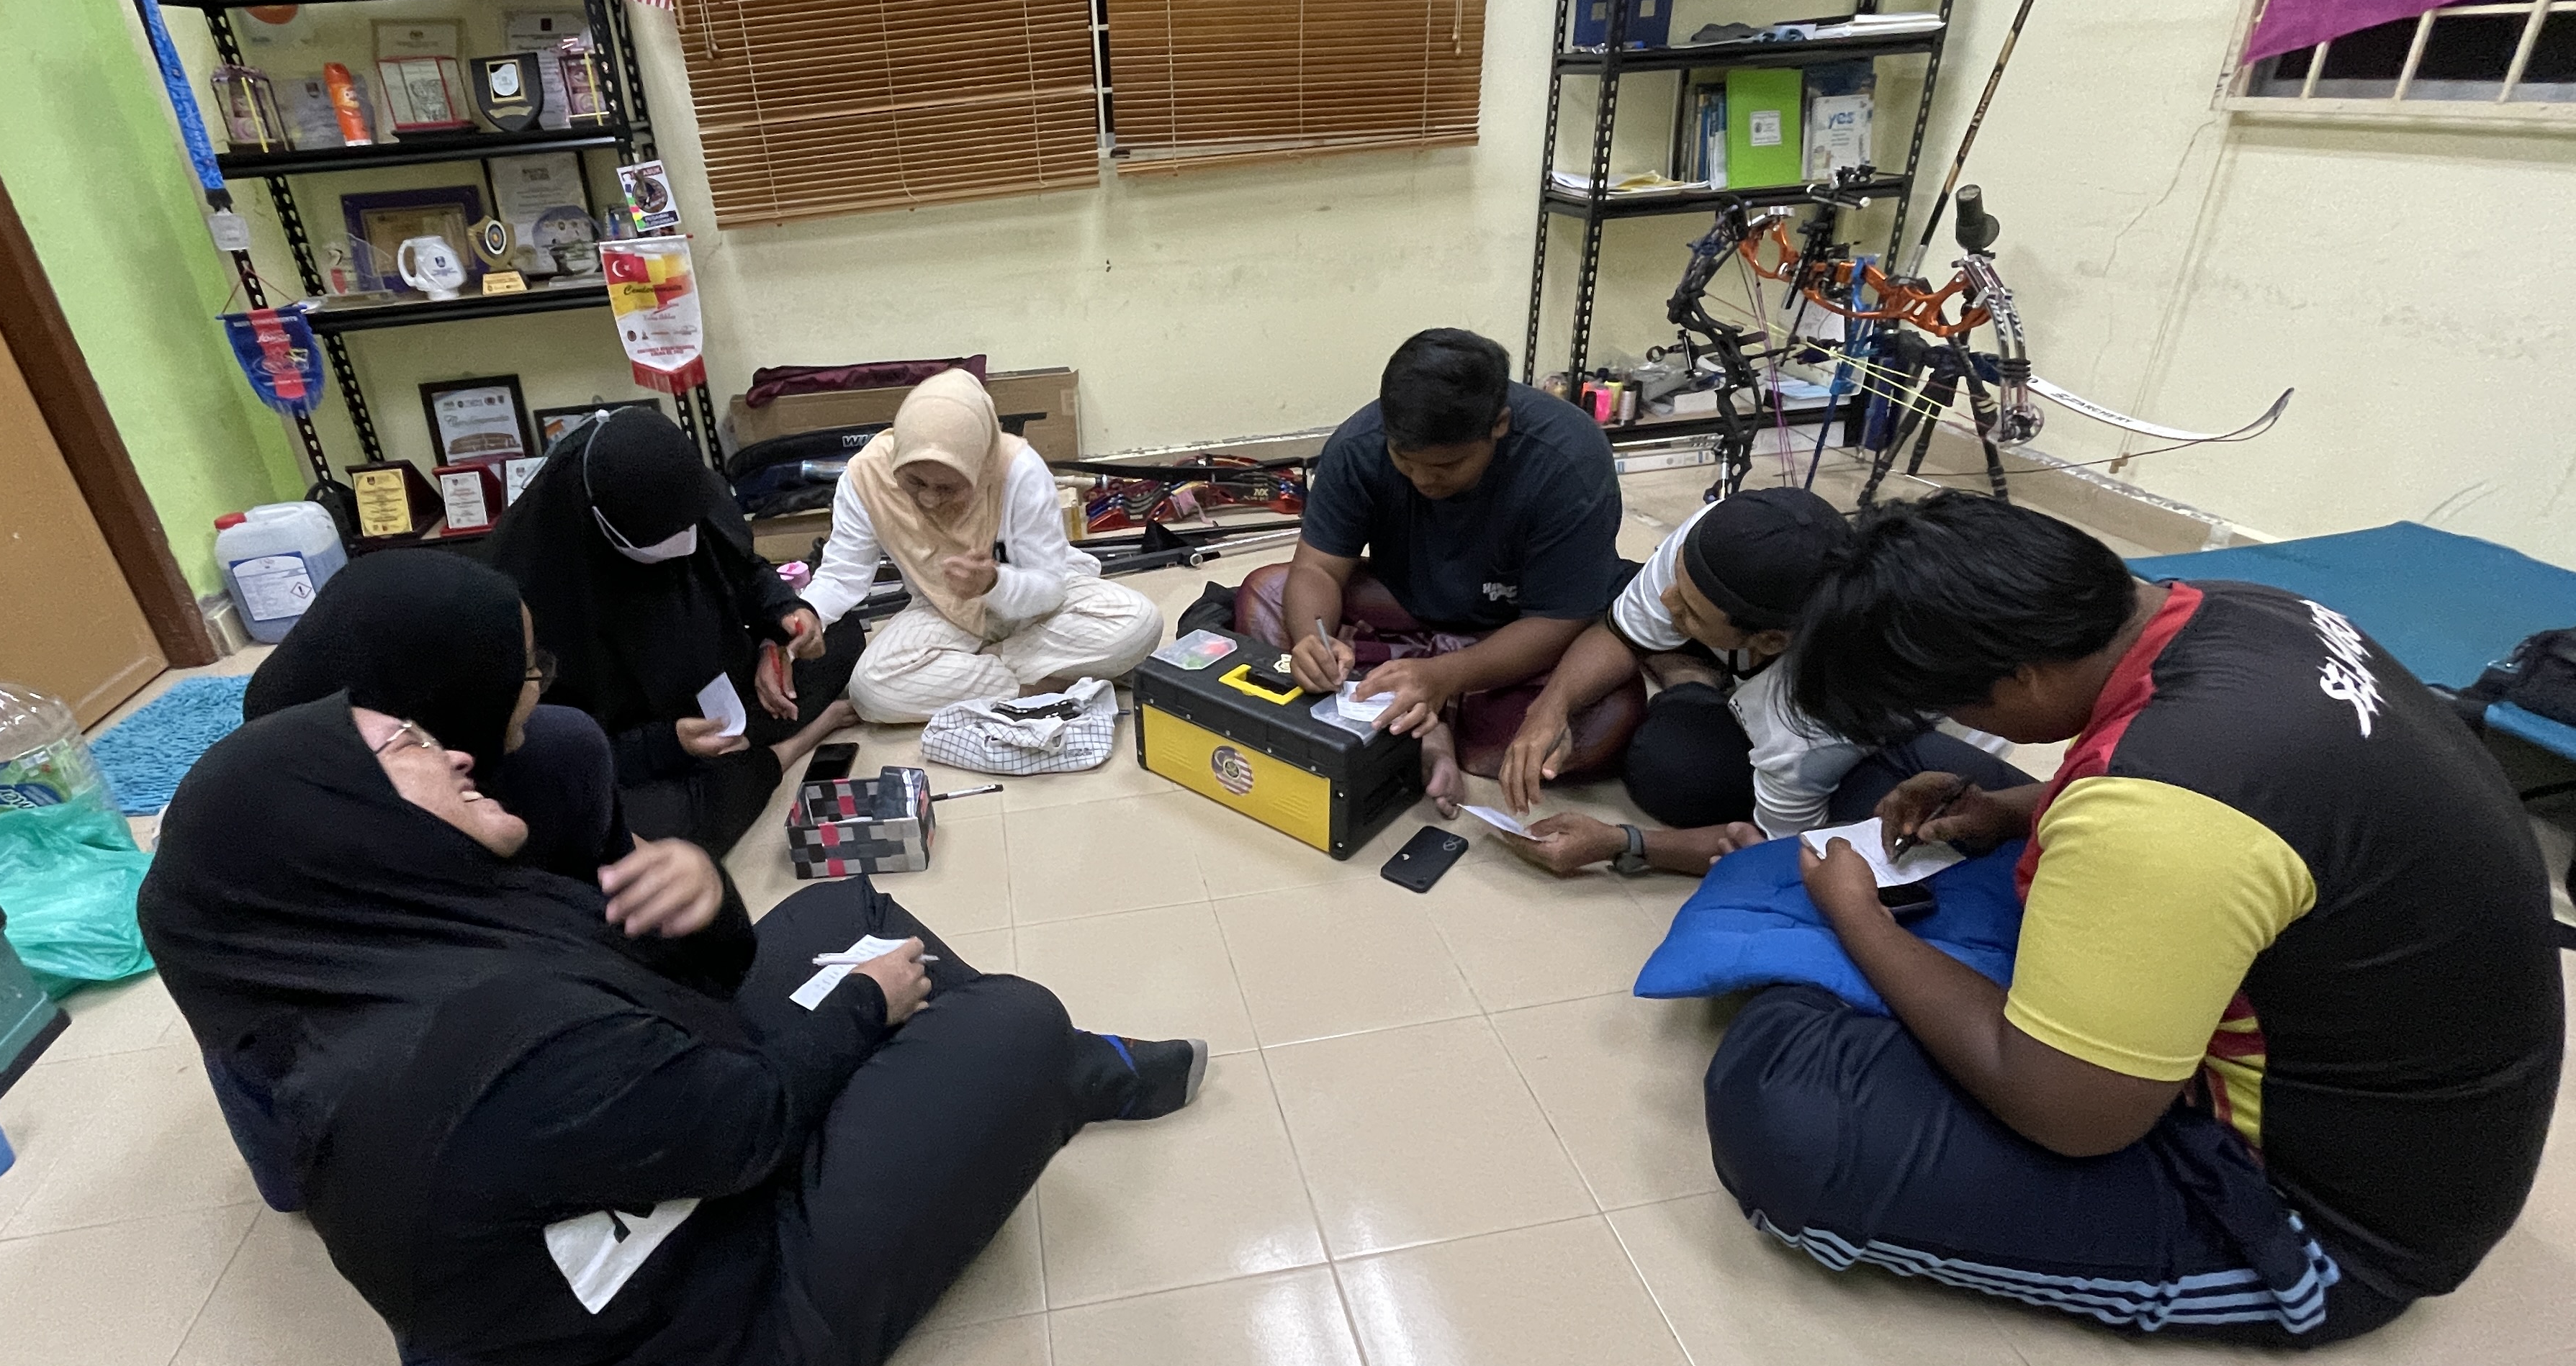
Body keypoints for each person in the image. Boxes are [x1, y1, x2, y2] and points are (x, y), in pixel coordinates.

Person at [137, 692, 1207, 1366]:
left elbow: (678, 1015)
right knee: (1008, 1018)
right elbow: (752, 1120)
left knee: (839, 914)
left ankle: (1043, 1081)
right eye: (408, 746)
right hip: (725, 1358)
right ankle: (1050, 1072)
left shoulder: (394, 970)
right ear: (339, 826)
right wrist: (860, 1008)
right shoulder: (479, 1051)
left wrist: (709, 903)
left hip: (672, 1199)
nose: (456, 749)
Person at [1706, 492, 2562, 1344]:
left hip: (2316, 1220)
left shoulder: (2157, 814)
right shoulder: (2237, 607)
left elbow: (2072, 1119)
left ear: (2022, 676)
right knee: (1900, 768)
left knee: (1786, 1110)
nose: (1962, 725)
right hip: (2404, 1071)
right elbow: (2272, 803)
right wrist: (2013, 809)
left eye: (1964, 708)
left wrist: (1862, 923)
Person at [1487, 486, 2026, 878]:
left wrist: (1619, 841)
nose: (1669, 598)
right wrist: (1549, 710)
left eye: (1690, 609)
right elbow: (1619, 630)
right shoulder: (1726, 535)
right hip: (1782, 687)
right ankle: (1692, 669)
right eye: (1677, 581)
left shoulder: (1808, 722)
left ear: (1770, 639)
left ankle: (1690, 676)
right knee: (1626, 589)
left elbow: (1775, 846)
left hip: (1897, 758)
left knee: (1673, 773)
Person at [1239, 327, 1635, 808]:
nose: (1424, 479)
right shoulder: (1358, 445)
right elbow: (1318, 570)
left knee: (1607, 716)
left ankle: (1407, 716)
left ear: (1500, 424)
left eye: (1447, 466)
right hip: (1407, 605)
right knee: (1267, 594)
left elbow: (1559, 620)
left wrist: (1445, 676)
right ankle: (1422, 724)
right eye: (1405, 461)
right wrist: (1312, 641)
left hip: (1514, 630)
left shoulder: (1568, 459)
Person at [487, 406, 860, 855]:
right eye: (662, 538)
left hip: (729, 691)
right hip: (641, 738)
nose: (684, 543)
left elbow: (744, 570)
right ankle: (789, 747)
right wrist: (667, 744)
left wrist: (778, 631)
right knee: (644, 828)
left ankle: (750, 751)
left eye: (690, 527)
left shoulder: (689, 499)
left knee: (843, 633)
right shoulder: (531, 582)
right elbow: (557, 744)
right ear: (602, 521)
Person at [793, 369, 1162, 722]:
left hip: (1037, 608)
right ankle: (1046, 682)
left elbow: (1049, 589)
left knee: (1140, 623)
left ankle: (979, 676)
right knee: (871, 691)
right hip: (943, 608)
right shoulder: (866, 478)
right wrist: (804, 614)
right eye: (915, 482)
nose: (930, 499)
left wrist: (994, 584)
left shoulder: (1017, 468)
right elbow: (842, 576)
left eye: (947, 488)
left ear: (981, 466)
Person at [242, 551, 621, 884]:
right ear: (458, 697)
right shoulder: (295, 850)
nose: (538, 684)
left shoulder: (559, 750)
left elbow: (619, 869)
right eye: (523, 670)